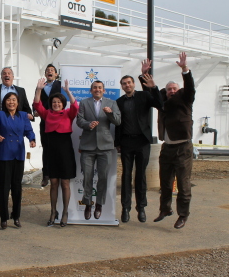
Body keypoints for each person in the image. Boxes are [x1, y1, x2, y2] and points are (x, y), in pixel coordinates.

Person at [115, 60, 163, 223]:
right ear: (122, 86)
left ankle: (141, 208)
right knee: (126, 176)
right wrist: (117, 143)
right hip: (127, 143)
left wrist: (153, 86)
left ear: (134, 84)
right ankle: (125, 209)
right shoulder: (119, 102)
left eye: (129, 82)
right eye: (124, 83)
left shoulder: (144, 96)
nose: (127, 85)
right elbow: (117, 124)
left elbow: (159, 104)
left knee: (140, 176)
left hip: (142, 142)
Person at [151, 52, 195, 229]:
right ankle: (165, 209)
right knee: (165, 183)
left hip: (183, 148)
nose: (171, 91)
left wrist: (185, 70)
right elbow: (153, 94)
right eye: (169, 89)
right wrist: (146, 78)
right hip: (167, 148)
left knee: (183, 185)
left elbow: (189, 87)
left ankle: (183, 215)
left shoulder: (185, 100)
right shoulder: (163, 104)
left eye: (174, 89)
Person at [33, 78, 78, 227]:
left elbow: (75, 107)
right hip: (51, 151)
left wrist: (68, 92)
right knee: (53, 183)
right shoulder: (47, 114)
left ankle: (65, 212)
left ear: (62, 104)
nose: (56, 104)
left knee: (65, 183)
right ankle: (53, 212)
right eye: (54, 102)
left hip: (65, 151)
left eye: (59, 102)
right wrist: (39, 90)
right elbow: (37, 105)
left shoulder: (68, 114)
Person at [0, 92, 36, 229]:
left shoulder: (23, 116)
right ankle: (3, 218)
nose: (11, 102)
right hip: (4, 154)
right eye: (8, 100)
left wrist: (32, 140)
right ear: (5, 102)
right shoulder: (0, 114)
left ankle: (16, 216)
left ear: (18, 102)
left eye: (14, 100)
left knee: (17, 187)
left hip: (18, 154)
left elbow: (29, 131)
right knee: (4, 188)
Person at [76, 80, 121, 220]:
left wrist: (110, 113)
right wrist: (88, 124)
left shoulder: (111, 103)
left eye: (100, 88)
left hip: (105, 146)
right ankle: (88, 204)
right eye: (95, 87)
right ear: (91, 90)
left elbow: (118, 121)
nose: (97, 89)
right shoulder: (84, 102)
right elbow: (79, 120)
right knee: (87, 177)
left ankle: (99, 204)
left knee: (103, 177)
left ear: (104, 90)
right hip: (87, 146)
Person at [0, 67, 34, 206]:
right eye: (4, 74)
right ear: (1, 77)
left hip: (15, 133)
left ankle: (13, 197)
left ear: (13, 76)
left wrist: (30, 116)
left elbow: (26, 107)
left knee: (14, 168)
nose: (6, 75)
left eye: (9, 73)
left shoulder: (20, 91)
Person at [33, 64, 62, 188]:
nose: (49, 72)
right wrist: (34, 111)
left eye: (52, 70)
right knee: (46, 147)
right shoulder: (41, 86)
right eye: (47, 71)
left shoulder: (60, 86)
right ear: (45, 74)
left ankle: (59, 172)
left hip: (59, 120)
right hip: (45, 120)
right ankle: (46, 174)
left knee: (59, 147)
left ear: (56, 74)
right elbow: (36, 100)